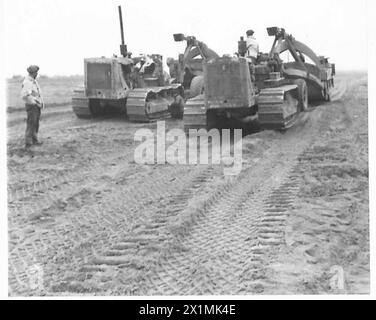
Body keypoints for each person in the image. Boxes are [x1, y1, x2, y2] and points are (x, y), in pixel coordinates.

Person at [21, 65, 44, 148]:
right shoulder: (28, 82)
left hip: (36, 105)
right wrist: (34, 102)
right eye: (36, 72)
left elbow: (35, 93)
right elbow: (25, 95)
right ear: (32, 73)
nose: (37, 74)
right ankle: (28, 142)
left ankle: (34, 139)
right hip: (32, 106)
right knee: (31, 123)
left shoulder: (33, 81)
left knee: (35, 123)